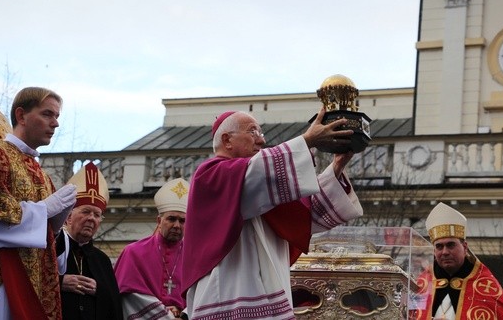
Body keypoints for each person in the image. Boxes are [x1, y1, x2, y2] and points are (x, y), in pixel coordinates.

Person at [182, 108, 364, 319]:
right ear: (227, 140)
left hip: (270, 293)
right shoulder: (211, 175)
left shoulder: (263, 187)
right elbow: (257, 174)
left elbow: (306, 216)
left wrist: (337, 166)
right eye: (253, 132)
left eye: (261, 133)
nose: (261, 141)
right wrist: (307, 141)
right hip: (227, 296)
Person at [0, 87, 77, 320]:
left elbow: (56, 261)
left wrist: (57, 230)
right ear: (21, 116)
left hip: (39, 289)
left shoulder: (42, 174)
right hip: (5, 282)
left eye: (57, 117)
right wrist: (43, 211)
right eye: (47, 114)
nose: (55, 124)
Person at [412, 202, 503, 319]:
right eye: (439, 246)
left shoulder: (485, 286)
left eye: (450, 245)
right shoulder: (422, 285)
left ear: (465, 247)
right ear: (434, 251)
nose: (444, 252)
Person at [56, 161, 123, 319]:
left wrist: (98, 291)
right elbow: (32, 284)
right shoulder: (53, 248)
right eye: (86, 212)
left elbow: (115, 306)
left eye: (97, 215)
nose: (91, 218)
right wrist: (59, 283)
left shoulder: (102, 260)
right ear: (68, 217)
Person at [114, 178, 188, 319]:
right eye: (171, 219)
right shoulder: (134, 253)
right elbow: (128, 297)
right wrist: (166, 316)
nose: (177, 225)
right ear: (159, 221)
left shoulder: (194, 258)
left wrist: (183, 313)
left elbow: (201, 296)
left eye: (182, 220)